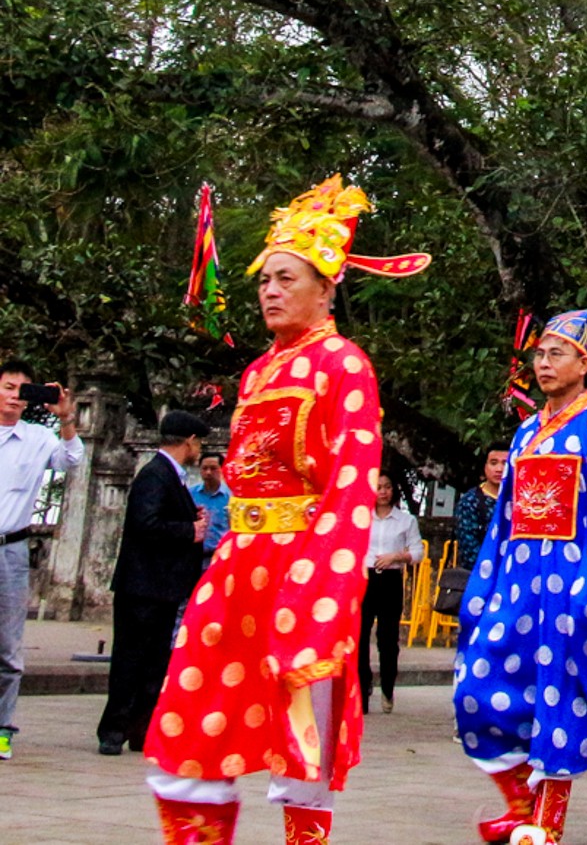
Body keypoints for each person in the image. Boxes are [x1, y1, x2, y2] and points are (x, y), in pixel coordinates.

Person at [145, 174, 431, 845]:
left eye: (286, 278)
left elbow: (352, 484)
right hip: (237, 562)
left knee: (304, 734)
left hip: (304, 569)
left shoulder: (345, 366)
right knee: (192, 712)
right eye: (264, 280)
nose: (270, 291)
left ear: (326, 288)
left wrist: (324, 589)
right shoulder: (257, 372)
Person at [457, 306, 587, 845]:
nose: (543, 362)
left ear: (585, 362)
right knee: (480, 688)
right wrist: (483, 584)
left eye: (556, 353)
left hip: (569, 581)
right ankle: (517, 802)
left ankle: (546, 820)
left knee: (560, 697)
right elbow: (504, 516)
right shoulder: (526, 432)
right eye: (538, 353)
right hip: (517, 577)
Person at [97, 410, 211, 756]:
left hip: (162, 585)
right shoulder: (155, 474)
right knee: (131, 658)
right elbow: (145, 524)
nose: (199, 449)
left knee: (155, 661)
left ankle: (140, 728)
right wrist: (188, 531)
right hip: (142, 585)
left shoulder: (172, 477)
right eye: (198, 442)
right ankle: (114, 728)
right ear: (189, 441)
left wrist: (194, 519)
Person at [0, 359, 81, 763]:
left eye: (22, 390)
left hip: (12, 549)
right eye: (8, 386)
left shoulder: (37, 439)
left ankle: (2, 729)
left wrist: (64, 418)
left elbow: (72, 460)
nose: (14, 396)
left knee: (8, 647)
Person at [361, 472, 422, 716]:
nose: (383, 492)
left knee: (388, 639)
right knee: (360, 636)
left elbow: (417, 553)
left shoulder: (406, 521)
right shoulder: (362, 518)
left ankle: (387, 687)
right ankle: (362, 688)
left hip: (390, 579)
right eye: (378, 487)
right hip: (364, 578)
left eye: (387, 487)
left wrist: (396, 556)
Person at [455, 442, 509, 569]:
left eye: (505, 463)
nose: (499, 469)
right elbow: (469, 550)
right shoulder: (471, 501)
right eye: (493, 463)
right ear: (485, 467)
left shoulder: (520, 499)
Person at [192, 452, 231, 567]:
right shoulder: (189, 494)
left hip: (220, 557)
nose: (208, 472)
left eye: (213, 468)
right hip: (194, 556)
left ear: (222, 470)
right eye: (204, 468)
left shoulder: (231, 497)